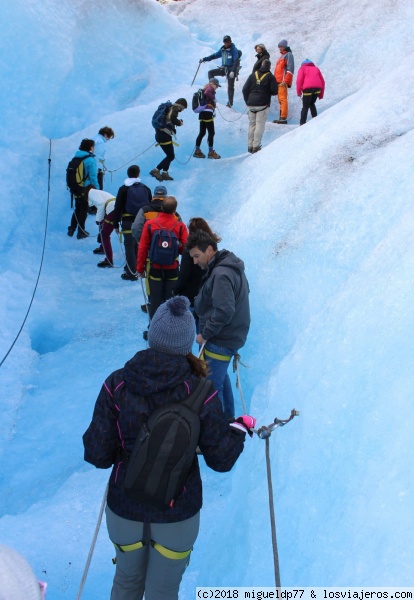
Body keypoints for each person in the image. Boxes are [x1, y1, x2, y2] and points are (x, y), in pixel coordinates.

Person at [82, 295, 255, 600]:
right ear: (189, 341)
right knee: (163, 593)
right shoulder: (202, 391)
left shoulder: (117, 383)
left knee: (125, 582)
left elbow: (96, 453)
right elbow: (221, 459)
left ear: (152, 334)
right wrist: (239, 429)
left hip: (125, 506)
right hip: (178, 512)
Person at [186, 231, 250, 419]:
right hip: (229, 336)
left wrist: (204, 334)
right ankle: (228, 421)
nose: (195, 262)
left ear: (209, 249)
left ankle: (218, 432)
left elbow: (224, 310)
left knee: (211, 388)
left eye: (197, 256)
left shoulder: (221, 274)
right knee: (220, 381)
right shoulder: (229, 266)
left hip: (220, 339)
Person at [136, 196, 188, 328]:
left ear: (161, 208)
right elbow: (185, 249)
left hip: (154, 268)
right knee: (171, 301)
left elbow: (142, 248)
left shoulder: (150, 225)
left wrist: (140, 268)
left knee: (155, 300)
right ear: (175, 210)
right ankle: (170, 330)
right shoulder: (180, 226)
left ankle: (154, 329)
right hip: (173, 269)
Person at [131, 185, 181, 315]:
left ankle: (153, 315)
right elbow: (183, 242)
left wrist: (144, 242)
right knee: (170, 296)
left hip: (151, 260)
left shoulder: (145, 210)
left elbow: (136, 229)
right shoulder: (176, 216)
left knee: (153, 292)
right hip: (172, 263)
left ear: (154, 195)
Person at [113, 165, 152, 281]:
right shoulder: (146, 188)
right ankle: (139, 269)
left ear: (128, 174)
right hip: (142, 222)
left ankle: (131, 272)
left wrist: (115, 224)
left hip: (128, 221)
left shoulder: (123, 189)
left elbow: (118, 207)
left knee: (129, 246)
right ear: (138, 174)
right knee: (139, 245)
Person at [242, 58, 278, 153]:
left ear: (261, 65)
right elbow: (275, 91)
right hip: (263, 104)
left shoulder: (253, 75)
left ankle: (249, 146)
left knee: (251, 125)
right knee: (259, 125)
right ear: (269, 66)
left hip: (251, 103)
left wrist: (248, 101)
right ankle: (256, 146)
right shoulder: (270, 76)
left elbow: (245, 89)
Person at [67, 139, 99, 239]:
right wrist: (96, 188)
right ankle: (81, 231)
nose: (94, 149)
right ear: (90, 148)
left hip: (75, 187)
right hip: (85, 188)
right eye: (93, 147)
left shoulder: (75, 158)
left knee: (78, 208)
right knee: (84, 209)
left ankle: (72, 228)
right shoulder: (90, 160)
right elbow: (93, 176)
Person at [150, 98, 187, 182]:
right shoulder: (174, 109)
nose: (182, 110)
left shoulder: (169, 108)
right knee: (171, 156)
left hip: (162, 134)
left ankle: (165, 173)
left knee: (170, 155)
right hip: (164, 135)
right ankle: (156, 170)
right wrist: (179, 123)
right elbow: (172, 119)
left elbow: (168, 120)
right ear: (180, 106)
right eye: (183, 108)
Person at [200, 35, 240, 108]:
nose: (227, 43)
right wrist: (204, 59)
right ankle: (212, 89)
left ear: (230, 41)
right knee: (210, 73)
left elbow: (236, 61)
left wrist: (233, 71)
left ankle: (230, 103)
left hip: (231, 70)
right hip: (224, 69)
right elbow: (214, 56)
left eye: (228, 41)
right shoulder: (222, 50)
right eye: (225, 42)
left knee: (230, 87)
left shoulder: (233, 50)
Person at [193, 78, 221, 159]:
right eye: (217, 85)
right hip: (208, 113)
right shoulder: (210, 88)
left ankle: (197, 151)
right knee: (211, 133)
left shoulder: (205, 87)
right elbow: (207, 93)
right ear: (213, 84)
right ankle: (211, 152)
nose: (217, 87)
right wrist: (213, 98)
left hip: (202, 113)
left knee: (202, 133)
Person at [88, 189, 116, 268]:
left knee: (105, 235)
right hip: (115, 207)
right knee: (104, 231)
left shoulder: (91, 193)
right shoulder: (98, 192)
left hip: (111, 209)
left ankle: (109, 261)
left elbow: (100, 204)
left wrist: (98, 220)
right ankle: (103, 247)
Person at [296, 59, 325, 125]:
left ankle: (302, 123)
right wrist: (321, 94)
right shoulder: (316, 68)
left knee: (305, 106)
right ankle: (315, 120)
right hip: (317, 88)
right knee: (312, 103)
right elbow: (322, 81)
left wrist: (298, 91)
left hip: (308, 89)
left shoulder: (302, 68)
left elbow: (299, 80)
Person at [272, 39, 295, 125]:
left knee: (283, 99)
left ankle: (283, 118)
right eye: (279, 46)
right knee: (280, 99)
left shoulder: (288, 55)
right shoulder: (282, 56)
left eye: (281, 46)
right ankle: (281, 116)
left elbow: (290, 68)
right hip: (278, 81)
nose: (279, 48)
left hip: (282, 81)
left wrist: (286, 81)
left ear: (285, 46)